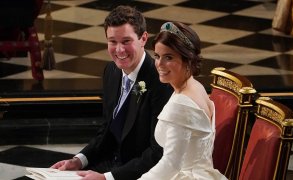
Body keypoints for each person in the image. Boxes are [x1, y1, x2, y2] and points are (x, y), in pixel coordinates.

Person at [50, 5, 172, 180]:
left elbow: (156, 153)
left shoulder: (161, 81)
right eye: (112, 41)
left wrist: (108, 177)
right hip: (108, 164)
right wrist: (79, 160)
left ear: (143, 38)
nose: (119, 50)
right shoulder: (111, 72)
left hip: (138, 173)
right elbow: (107, 129)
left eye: (126, 41)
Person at [138, 22, 227, 179]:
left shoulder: (181, 105)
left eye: (169, 57)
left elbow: (171, 164)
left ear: (188, 59)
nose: (159, 64)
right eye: (157, 56)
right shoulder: (196, 87)